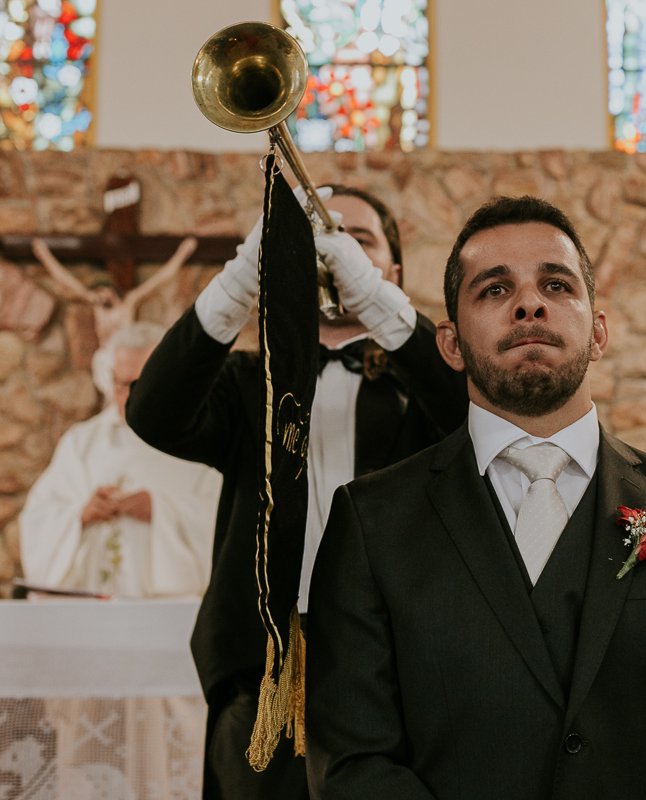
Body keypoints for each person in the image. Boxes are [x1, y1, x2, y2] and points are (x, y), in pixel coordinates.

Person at [306, 196, 646, 799]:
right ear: (450, 344)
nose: (529, 304)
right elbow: (352, 760)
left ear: (598, 332)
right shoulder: (371, 523)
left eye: (556, 285)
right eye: (494, 290)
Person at [125, 185, 467, 800]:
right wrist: (244, 277)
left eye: (358, 241)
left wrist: (377, 303)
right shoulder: (247, 381)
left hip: (403, 671)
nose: (333, 253)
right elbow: (154, 413)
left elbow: (482, 413)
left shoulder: (426, 382)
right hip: (262, 674)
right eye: (317, 242)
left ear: (390, 273)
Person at [19, 321, 222, 598]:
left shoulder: (196, 440)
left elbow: (221, 519)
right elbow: (39, 517)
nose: (128, 396)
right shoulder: (82, 442)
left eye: (139, 384)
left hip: (167, 609)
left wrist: (158, 509)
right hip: (92, 606)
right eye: (120, 383)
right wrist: (82, 514)